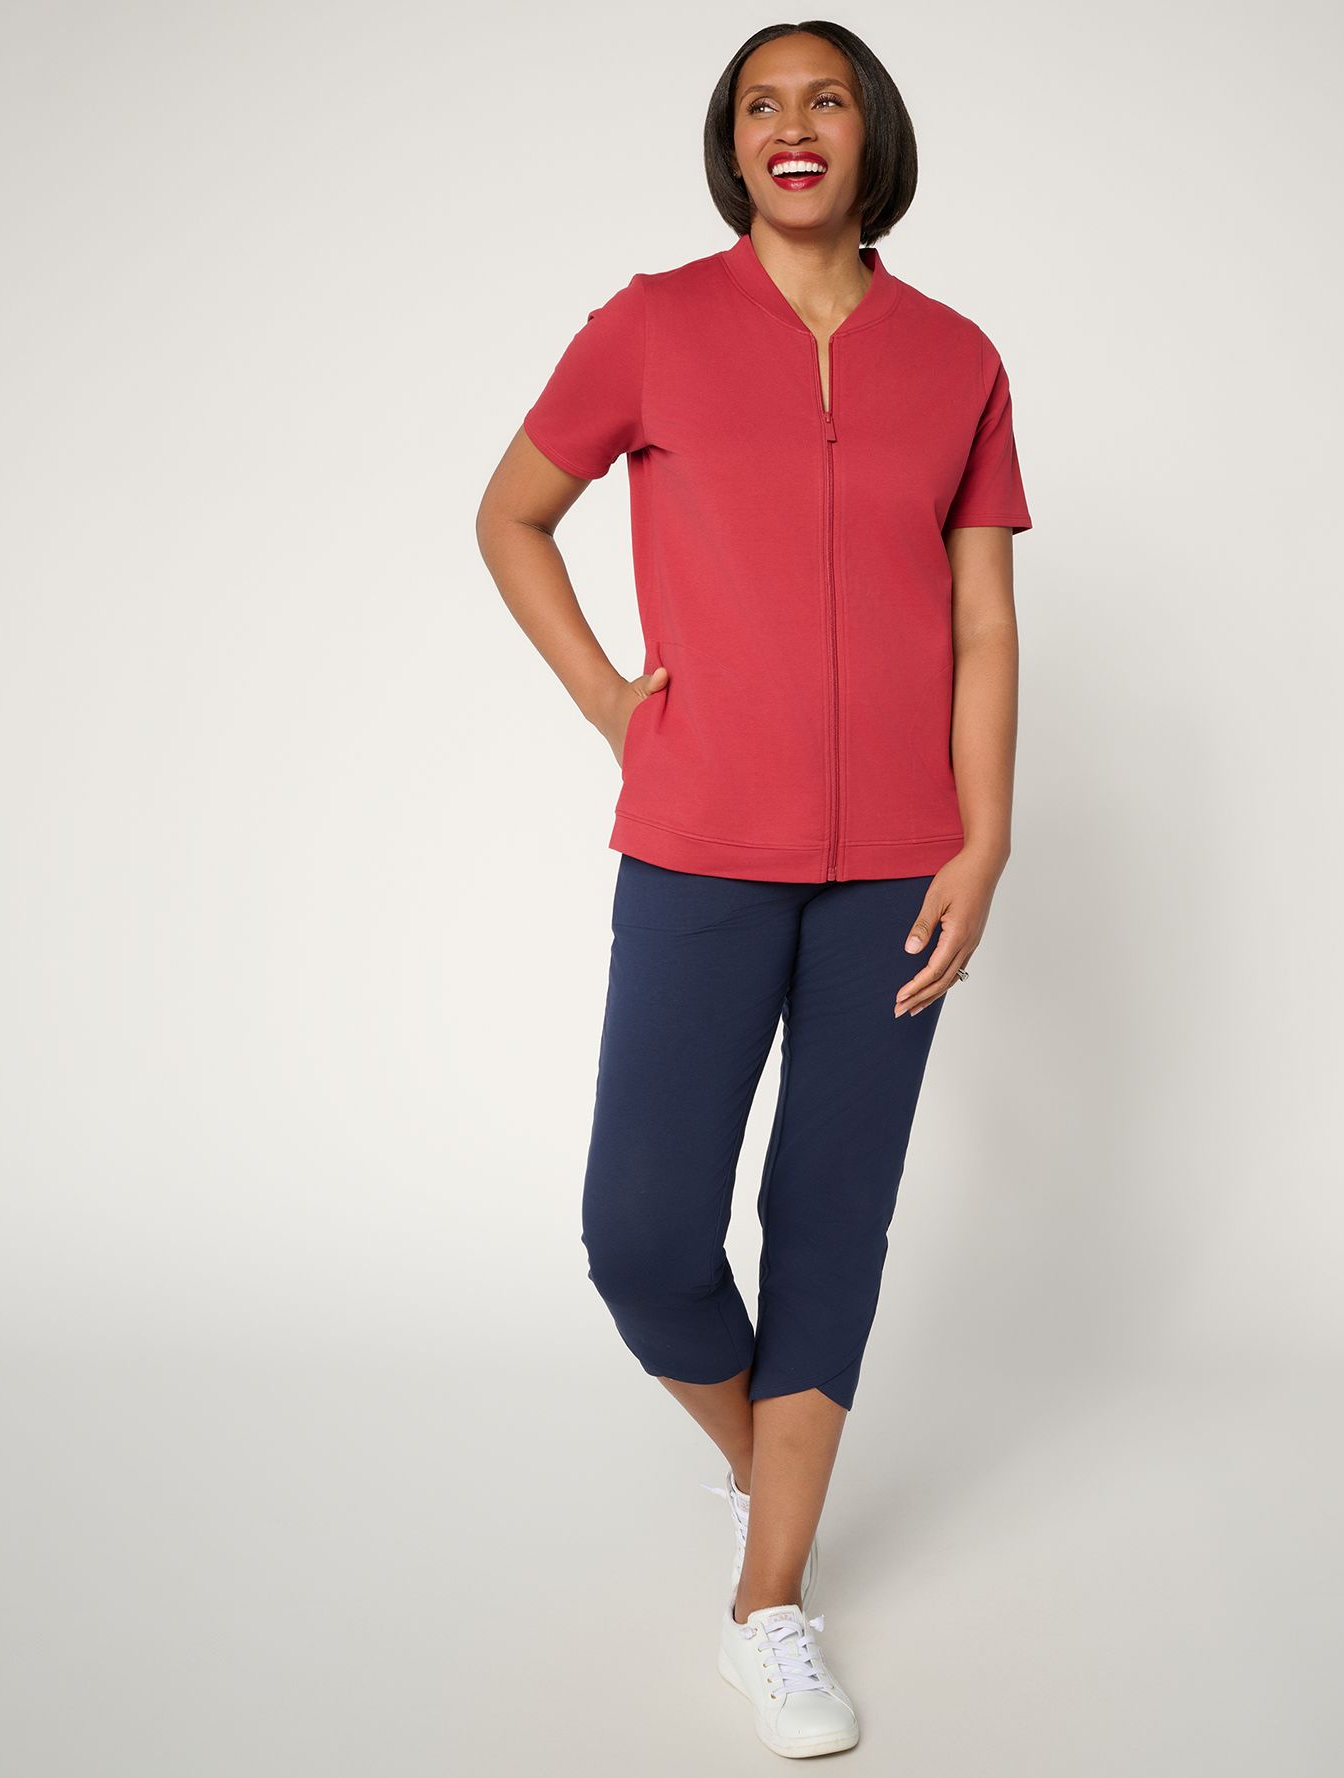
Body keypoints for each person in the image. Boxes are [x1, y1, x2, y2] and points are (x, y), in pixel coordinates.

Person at [474, 20, 1031, 1759]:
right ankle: (765, 1463)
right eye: (762, 105)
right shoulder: (651, 325)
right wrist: (607, 697)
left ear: (873, 137)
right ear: (735, 148)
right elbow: (511, 514)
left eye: (827, 98)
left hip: (898, 869)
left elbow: (984, 615)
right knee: (642, 1230)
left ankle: (768, 1598)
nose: (795, 125)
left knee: (830, 1221)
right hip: (700, 839)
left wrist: (986, 836)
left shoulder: (958, 358)